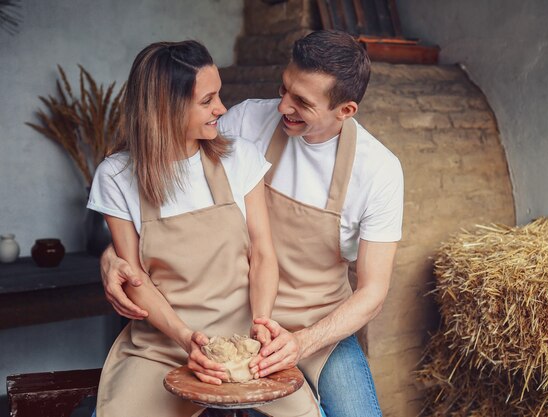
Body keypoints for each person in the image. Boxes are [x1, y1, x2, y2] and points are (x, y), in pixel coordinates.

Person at [100, 30, 403, 417]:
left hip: (318, 322)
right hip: (242, 314)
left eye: (302, 102)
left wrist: (303, 342)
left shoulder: (379, 171)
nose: (282, 107)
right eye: (284, 89)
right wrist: (115, 254)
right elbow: (177, 183)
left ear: (344, 110)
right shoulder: (244, 122)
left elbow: (373, 291)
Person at [87, 40, 321, 416]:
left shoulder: (239, 157)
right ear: (167, 108)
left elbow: (262, 253)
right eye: (207, 100)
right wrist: (185, 338)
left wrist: (261, 325)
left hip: (245, 342)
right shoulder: (116, 175)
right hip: (163, 344)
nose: (221, 109)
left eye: (219, 95)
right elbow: (135, 278)